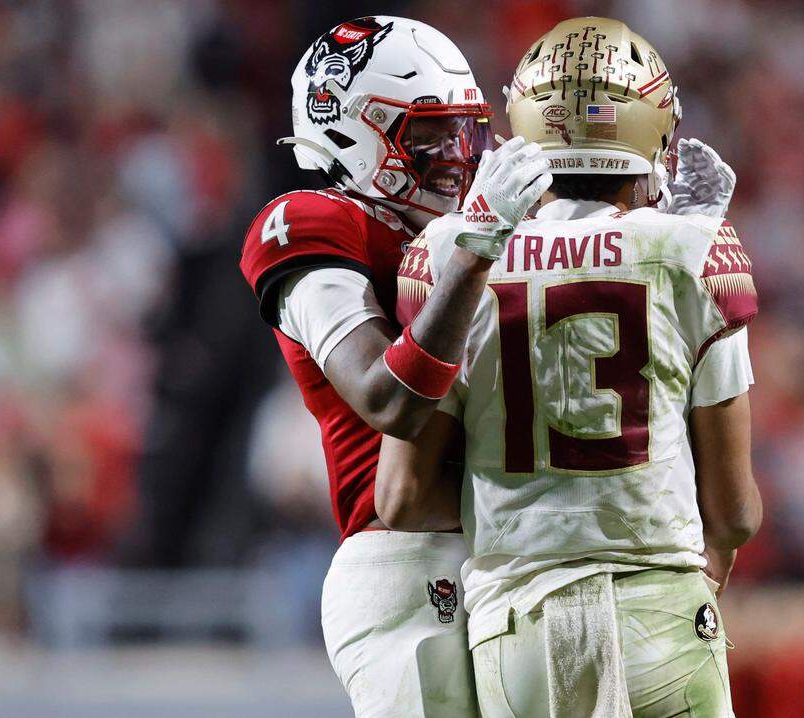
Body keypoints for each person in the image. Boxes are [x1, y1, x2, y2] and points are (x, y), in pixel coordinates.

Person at [378, 16, 760, 717]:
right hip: (660, 619)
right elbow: (733, 512)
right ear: (653, 133)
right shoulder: (694, 249)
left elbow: (399, 497)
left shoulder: (446, 255)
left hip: (515, 625)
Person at [237, 16, 551, 717]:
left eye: (463, 132)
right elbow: (387, 398)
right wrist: (474, 252)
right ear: (350, 126)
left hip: (512, 552)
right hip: (407, 562)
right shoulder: (313, 222)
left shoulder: (470, 224)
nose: (455, 155)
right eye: (429, 134)